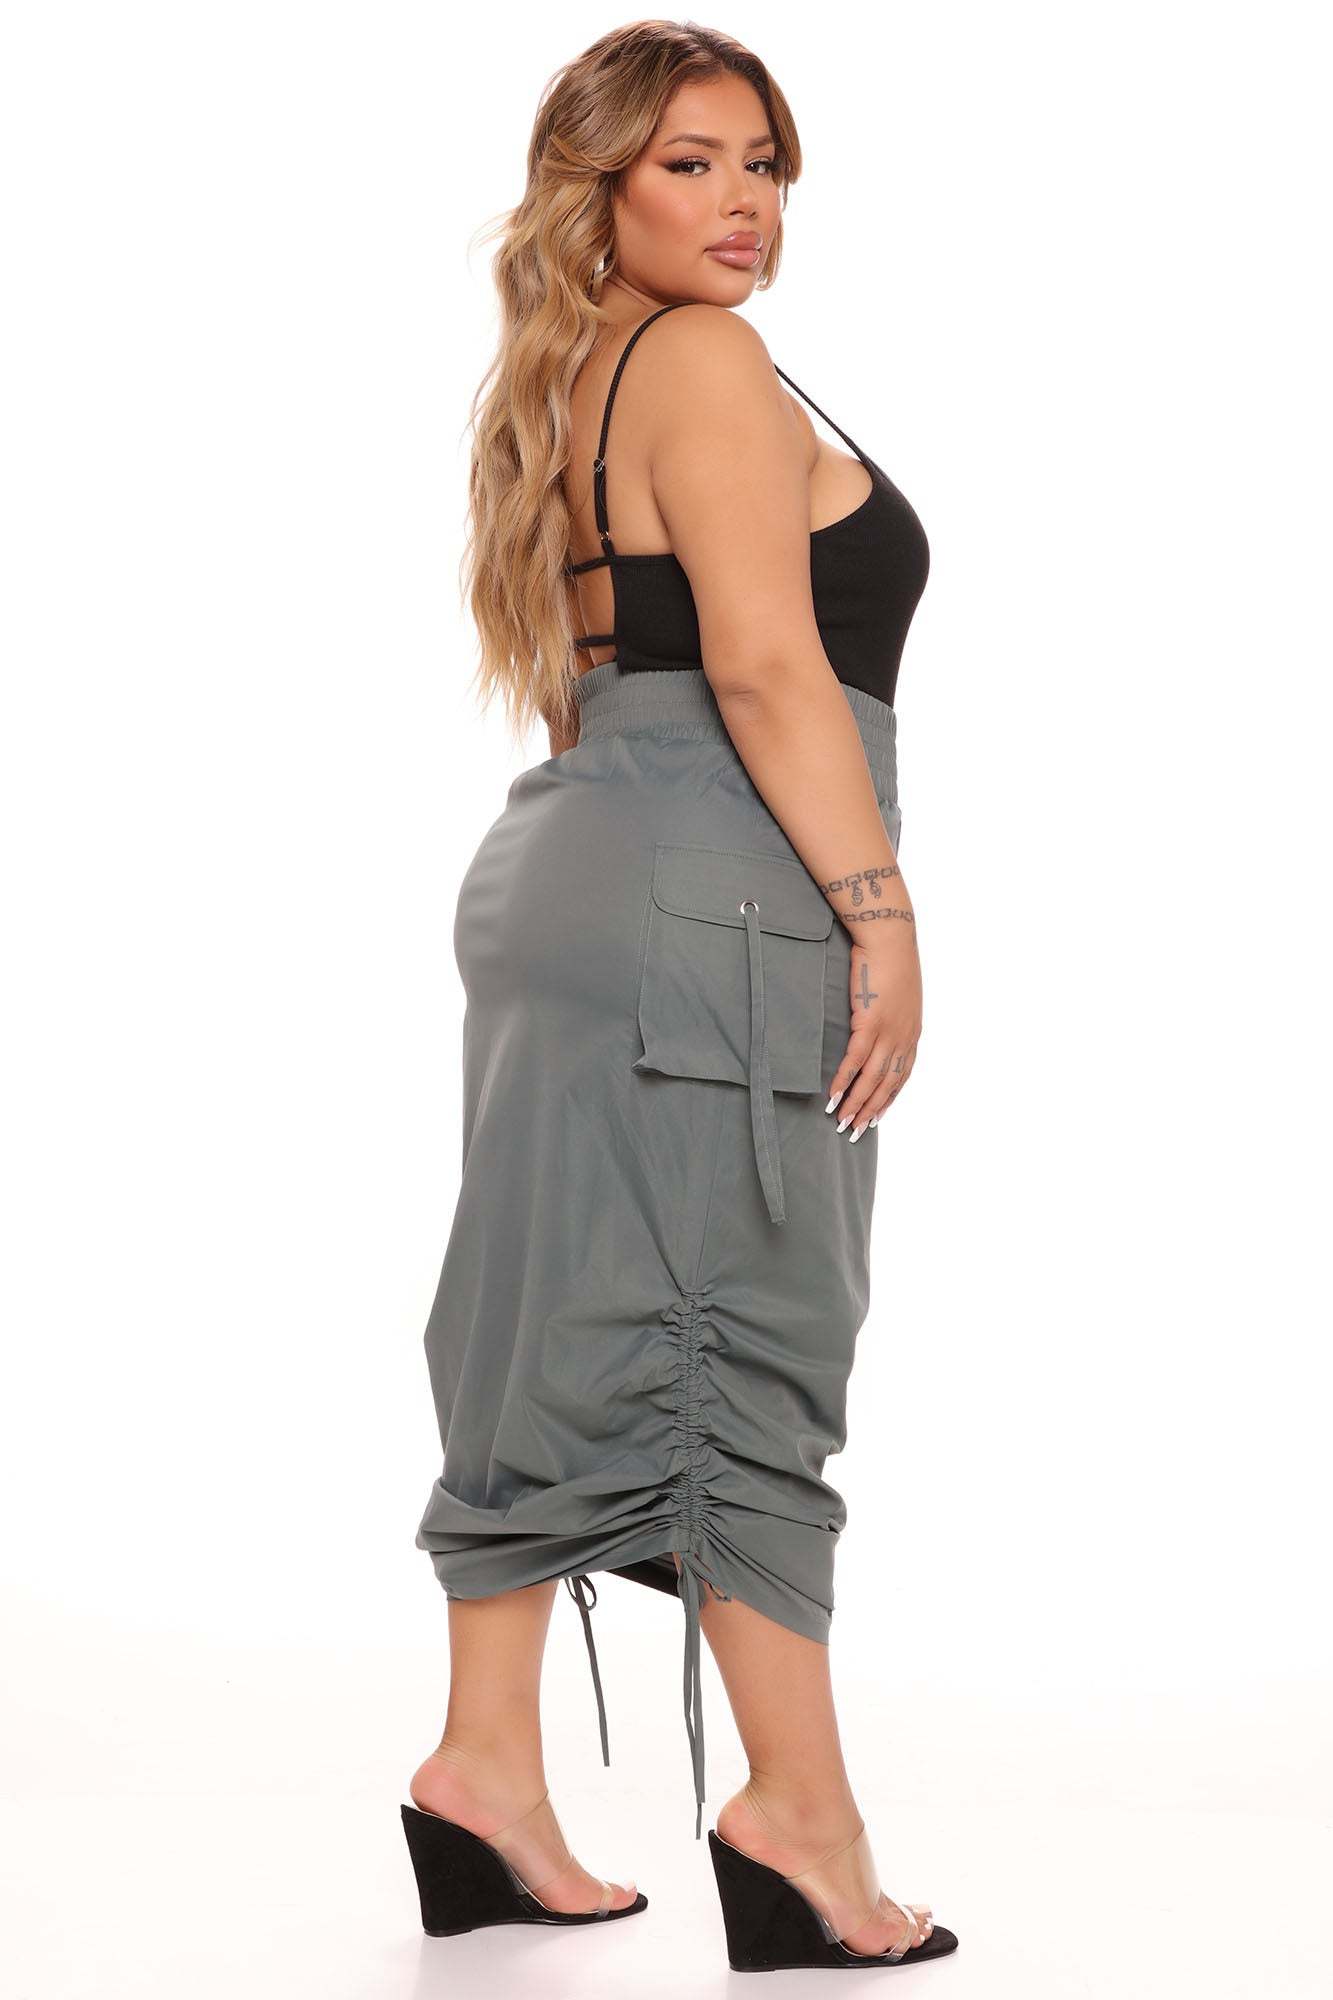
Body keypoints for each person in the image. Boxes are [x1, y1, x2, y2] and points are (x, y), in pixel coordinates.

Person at [399, 22, 959, 1973]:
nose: (741, 206)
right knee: (747, 1328)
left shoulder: (568, 375)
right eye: (689, 165)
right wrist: (876, 909)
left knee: (546, 1316)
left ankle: (484, 1770)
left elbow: (609, 682)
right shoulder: (707, 363)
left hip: (575, 877)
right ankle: (798, 1819)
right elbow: (767, 669)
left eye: (763, 165)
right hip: (719, 888)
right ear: (601, 185)